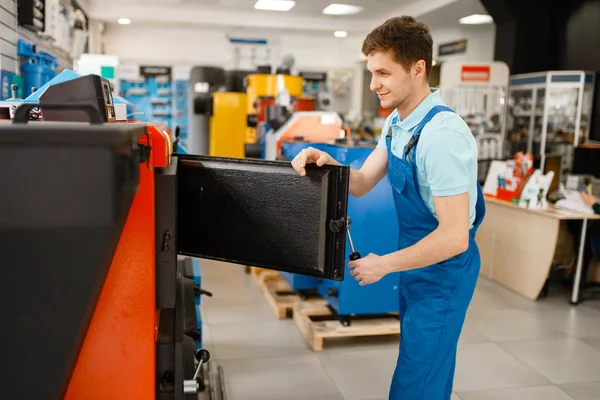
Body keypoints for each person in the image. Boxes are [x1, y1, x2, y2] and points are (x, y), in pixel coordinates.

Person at [291, 16, 485, 400]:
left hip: (444, 272)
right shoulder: (398, 122)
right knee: (425, 369)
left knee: (418, 380)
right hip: (417, 263)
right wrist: (327, 163)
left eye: (383, 73)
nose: (373, 84)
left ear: (418, 69)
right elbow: (362, 184)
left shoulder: (442, 137)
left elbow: (454, 236)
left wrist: (385, 264)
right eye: (371, 72)